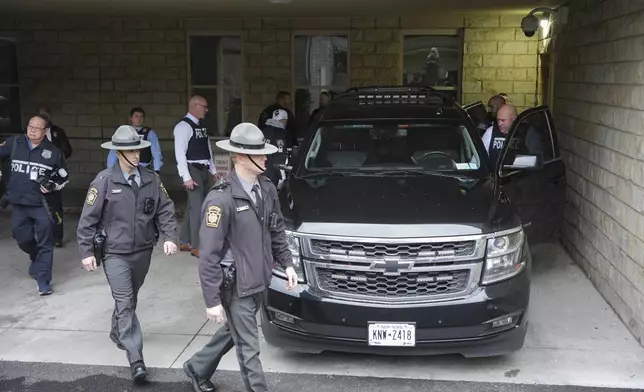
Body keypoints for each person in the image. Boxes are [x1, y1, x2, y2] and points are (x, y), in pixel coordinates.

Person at [182, 123, 298, 392]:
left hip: (259, 279)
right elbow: (208, 255)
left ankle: (196, 367)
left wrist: (288, 264)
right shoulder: (220, 199)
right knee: (249, 349)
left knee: (232, 332)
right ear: (241, 157)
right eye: (259, 154)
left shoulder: (267, 189)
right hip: (236, 286)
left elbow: (276, 230)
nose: (265, 158)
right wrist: (212, 301)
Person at [76, 125, 178, 384]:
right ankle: (136, 359)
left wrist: (169, 237)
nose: (136, 155)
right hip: (114, 253)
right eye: (131, 150)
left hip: (143, 251)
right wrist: (87, 251)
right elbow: (88, 219)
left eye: (138, 149)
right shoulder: (104, 181)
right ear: (118, 153)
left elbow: (165, 209)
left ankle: (117, 331)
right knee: (125, 302)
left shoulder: (151, 179)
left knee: (129, 299)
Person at [0, 114, 69, 295]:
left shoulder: (53, 152)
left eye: (36, 127)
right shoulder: (15, 143)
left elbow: (64, 177)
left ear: (44, 131)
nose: (32, 129)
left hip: (42, 205)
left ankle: (43, 281)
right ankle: (36, 258)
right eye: (30, 126)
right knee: (22, 238)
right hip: (19, 204)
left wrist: (52, 185)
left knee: (46, 243)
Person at [173, 95, 218, 257]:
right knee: (199, 208)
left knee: (193, 207)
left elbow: (208, 149)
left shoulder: (201, 126)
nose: (207, 110)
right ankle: (197, 245)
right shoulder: (183, 127)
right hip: (192, 170)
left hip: (203, 169)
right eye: (204, 106)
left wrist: (213, 170)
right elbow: (180, 153)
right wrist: (186, 177)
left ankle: (184, 241)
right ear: (194, 106)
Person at [37, 107, 73, 248]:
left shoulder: (57, 132)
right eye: (41, 115)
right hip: (37, 173)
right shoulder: (31, 133)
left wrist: (58, 158)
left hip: (54, 174)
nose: (43, 118)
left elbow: (67, 149)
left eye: (45, 115)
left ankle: (57, 237)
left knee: (55, 207)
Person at [107, 107, 164, 173]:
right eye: (136, 116)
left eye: (141, 116)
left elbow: (156, 152)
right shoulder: (124, 132)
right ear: (131, 118)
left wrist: (157, 170)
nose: (139, 119)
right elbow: (114, 151)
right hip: (127, 167)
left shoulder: (149, 133)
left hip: (144, 168)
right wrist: (110, 169)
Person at [261, 109, 290, 188]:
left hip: (261, 172)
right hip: (273, 175)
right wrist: (282, 177)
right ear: (284, 120)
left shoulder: (263, 132)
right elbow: (280, 156)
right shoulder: (281, 134)